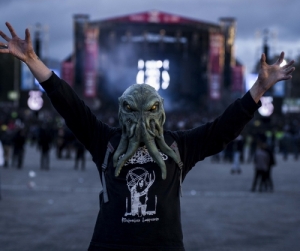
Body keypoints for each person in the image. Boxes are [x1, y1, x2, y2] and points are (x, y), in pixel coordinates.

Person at [0, 22, 295, 251]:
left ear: (161, 112)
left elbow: (223, 129)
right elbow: (70, 105)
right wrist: (33, 62)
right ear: (121, 111)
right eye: (132, 109)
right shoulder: (106, 141)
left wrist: (259, 89)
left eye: (150, 109)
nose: (141, 120)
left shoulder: (179, 146)